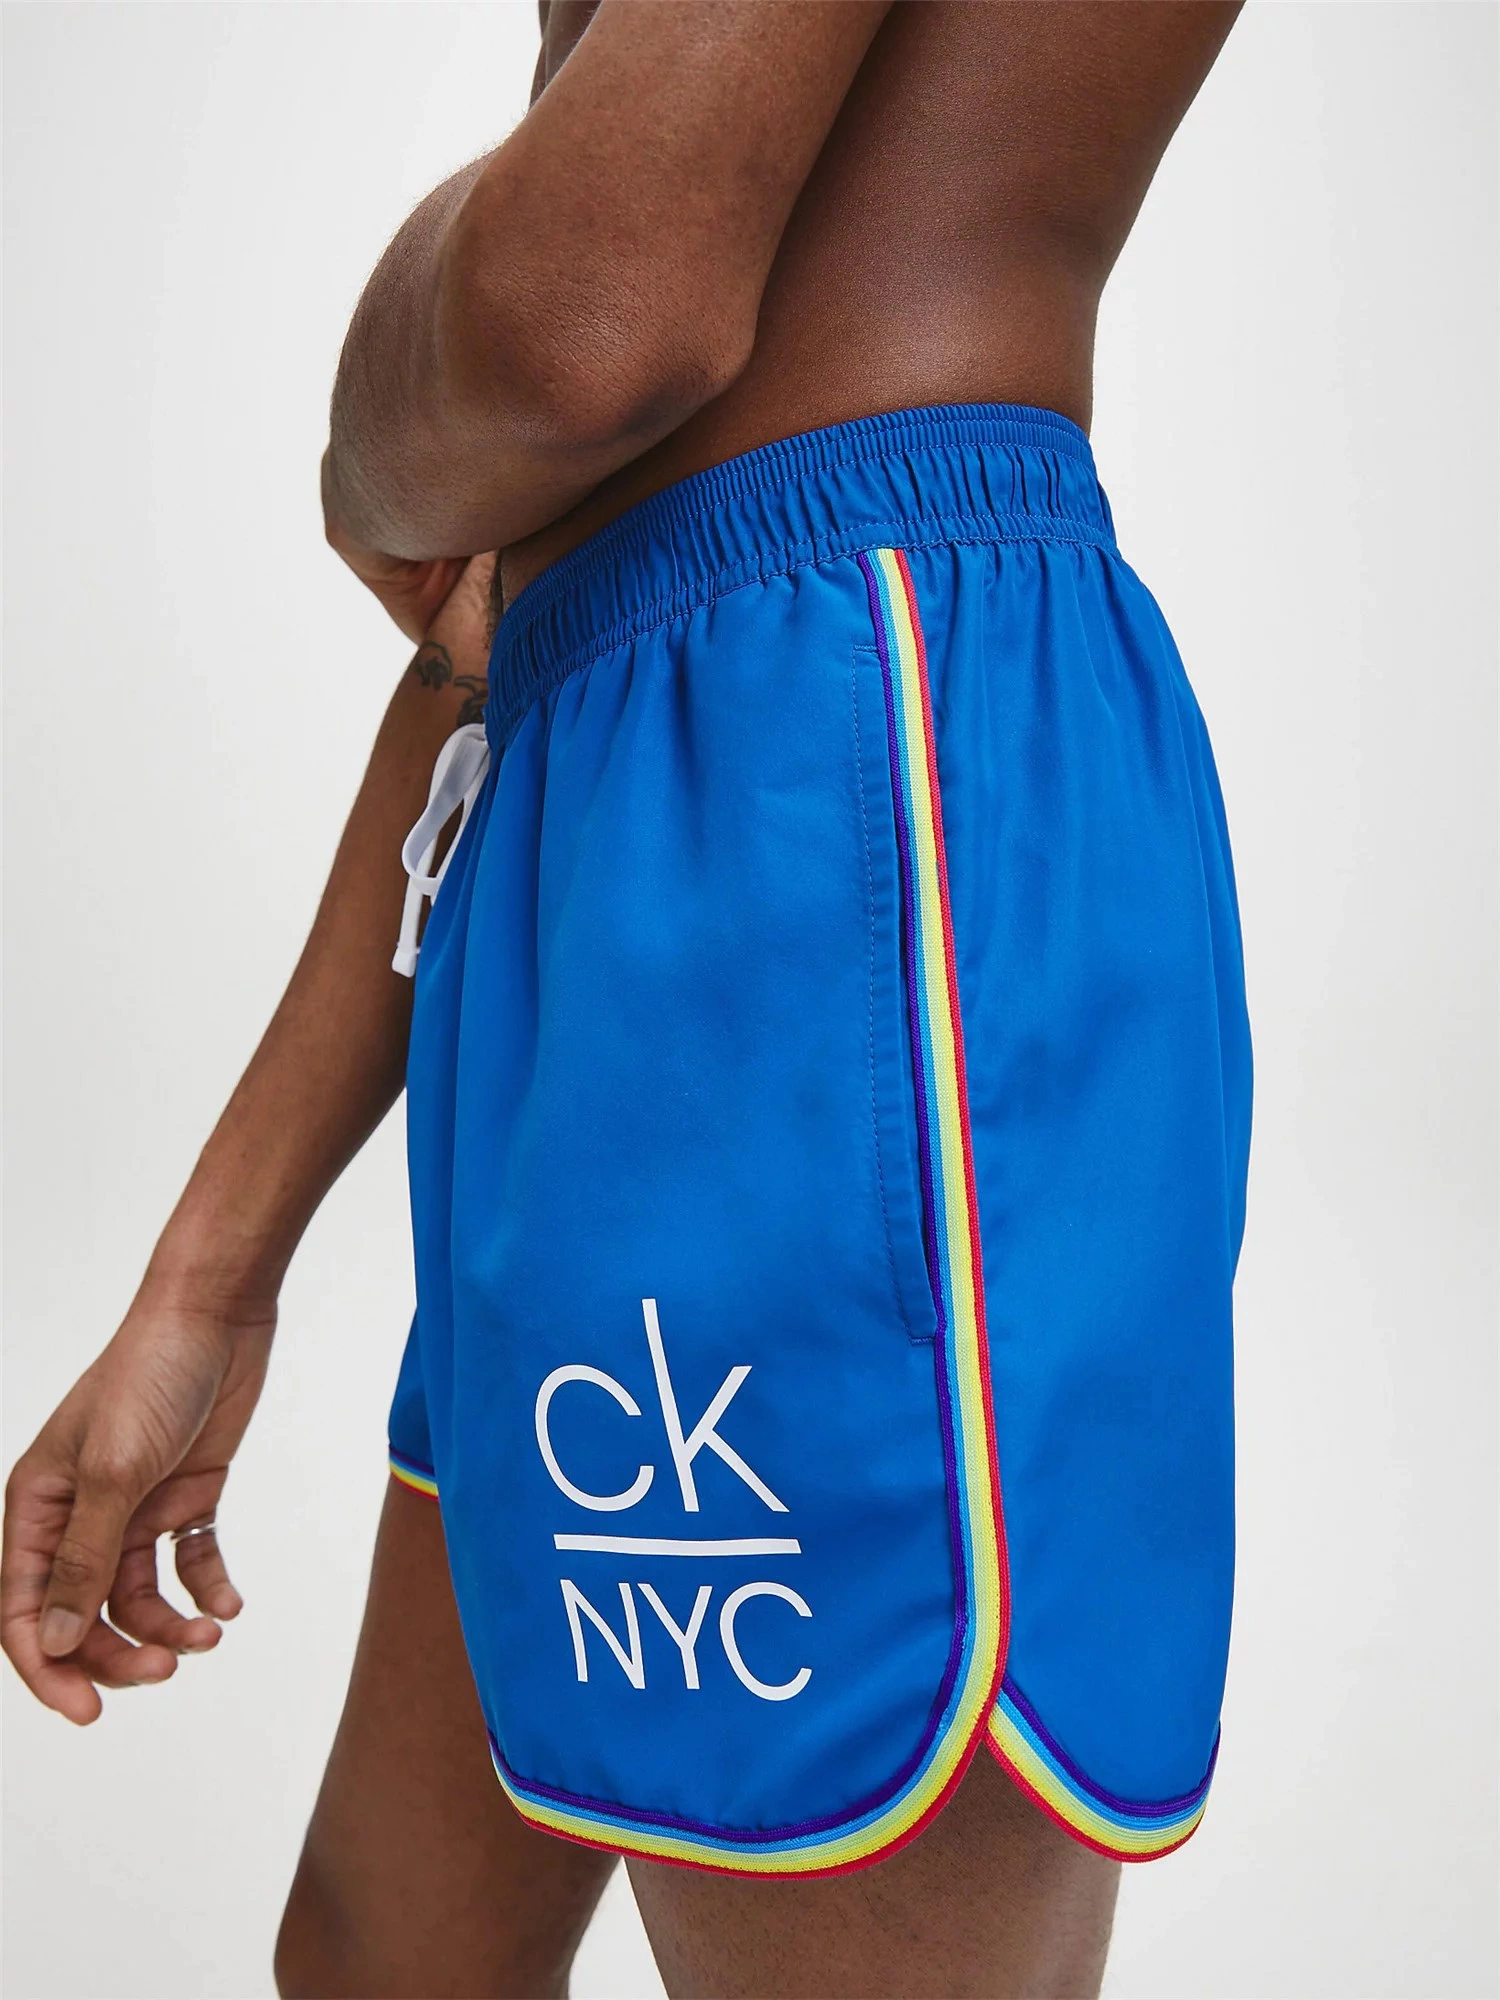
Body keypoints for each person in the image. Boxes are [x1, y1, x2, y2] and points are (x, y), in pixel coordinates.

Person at [2, 3, 1253, 1993]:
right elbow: (511, 621)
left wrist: (366, 455)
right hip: (633, 789)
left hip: (835, 798)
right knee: (383, 1956)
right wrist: (210, 1277)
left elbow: (577, 314)